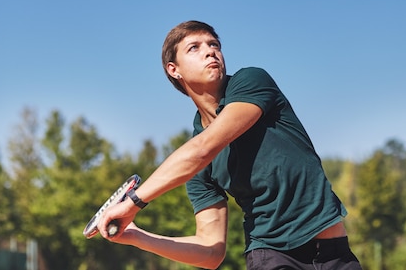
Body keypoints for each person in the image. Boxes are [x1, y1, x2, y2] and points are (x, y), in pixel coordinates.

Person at [99, 20, 362, 270]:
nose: (210, 52)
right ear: (173, 69)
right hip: (271, 256)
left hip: (336, 253)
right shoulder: (196, 164)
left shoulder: (252, 81)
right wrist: (137, 236)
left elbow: (206, 147)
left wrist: (133, 202)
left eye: (214, 45)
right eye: (195, 47)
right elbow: (210, 252)